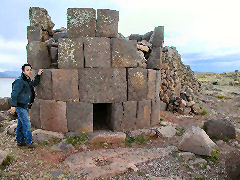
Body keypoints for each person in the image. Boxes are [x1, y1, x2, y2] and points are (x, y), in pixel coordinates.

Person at [10, 64, 43, 148]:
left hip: (24, 106)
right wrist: (13, 106)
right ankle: (29, 142)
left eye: (30, 70)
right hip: (20, 106)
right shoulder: (19, 81)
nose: (30, 71)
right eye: (27, 70)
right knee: (27, 123)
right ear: (23, 71)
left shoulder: (28, 80)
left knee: (20, 124)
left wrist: (38, 75)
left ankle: (20, 141)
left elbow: (34, 84)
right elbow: (14, 94)